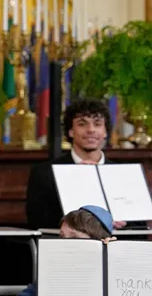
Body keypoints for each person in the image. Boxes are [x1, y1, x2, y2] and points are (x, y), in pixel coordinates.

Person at [26, 97, 128, 230]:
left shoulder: (124, 174)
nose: (91, 129)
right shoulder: (45, 173)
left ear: (105, 132)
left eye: (97, 124)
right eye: (82, 124)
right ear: (70, 131)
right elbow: (36, 220)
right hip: (65, 246)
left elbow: (139, 222)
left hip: (116, 246)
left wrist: (123, 222)